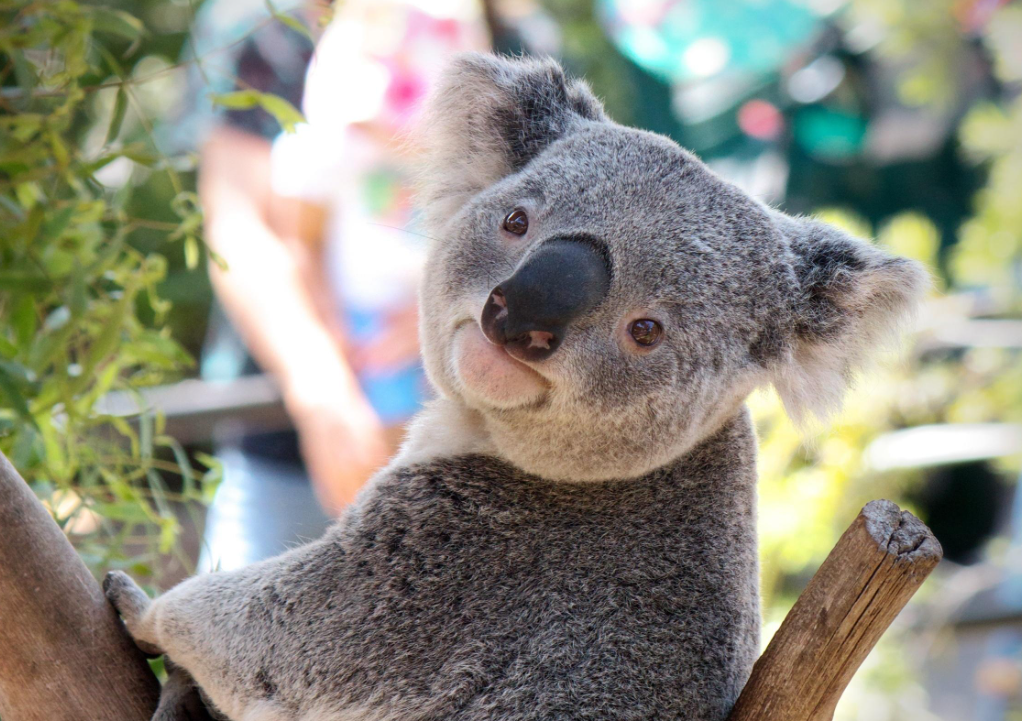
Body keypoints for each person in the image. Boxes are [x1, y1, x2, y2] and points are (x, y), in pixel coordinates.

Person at [177, 0, 490, 570]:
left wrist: (449, 298)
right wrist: (322, 392)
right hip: (286, 441)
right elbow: (241, 223)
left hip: (465, 441)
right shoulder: (262, 24)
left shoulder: (494, 26)